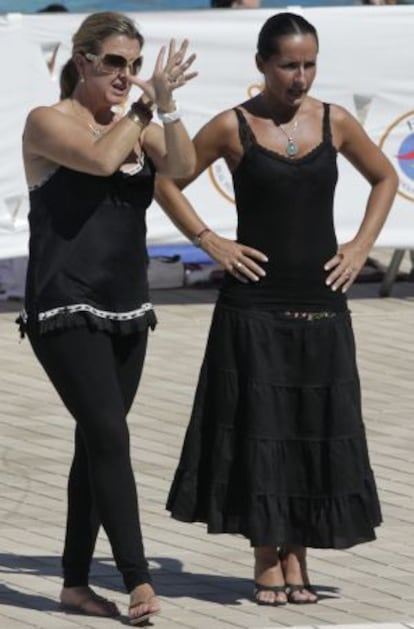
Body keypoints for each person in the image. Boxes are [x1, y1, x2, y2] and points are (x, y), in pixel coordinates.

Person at [155, 12, 398, 607]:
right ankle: (267, 555)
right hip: (254, 305)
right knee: (262, 432)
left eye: (310, 63)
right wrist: (209, 242)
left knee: (310, 431)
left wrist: (361, 247)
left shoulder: (335, 121)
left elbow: (386, 178)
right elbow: (168, 179)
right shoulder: (234, 127)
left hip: (321, 304)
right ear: (262, 64)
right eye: (289, 64)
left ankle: (299, 556)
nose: (301, 76)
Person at [19, 11, 197, 625]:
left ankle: (72, 584)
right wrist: (144, 114)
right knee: (111, 437)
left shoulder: (133, 125)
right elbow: (97, 162)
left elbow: (180, 166)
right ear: (83, 59)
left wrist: (166, 106)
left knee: (94, 441)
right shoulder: (47, 122)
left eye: (135, 66)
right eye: (115, 62)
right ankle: (138, 579)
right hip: (63, 303)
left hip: (128, 306)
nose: (127, 75)